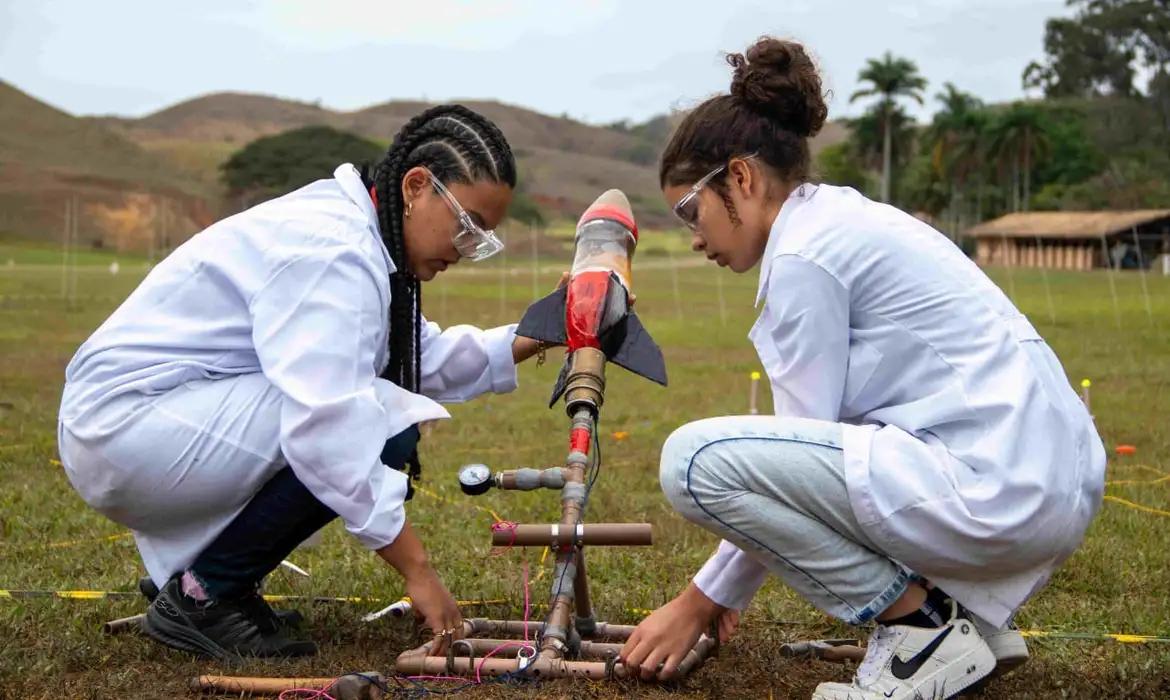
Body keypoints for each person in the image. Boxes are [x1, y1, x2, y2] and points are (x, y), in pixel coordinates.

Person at [619, 38, 1105, 700]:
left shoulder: (805, 256)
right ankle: (958, 620)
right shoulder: (844, 220)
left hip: (1001, 488)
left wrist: (699, 601)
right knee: (792, 457)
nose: (695, 237)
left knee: (694, 464)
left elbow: (791, 461)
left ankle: (920, 631)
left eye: (689, 212)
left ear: (741, 178)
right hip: (1048, 484)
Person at [57, 104, 553, 662]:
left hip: (160, 419)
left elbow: (424, 358)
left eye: (482, 238)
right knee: (373, 422)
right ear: (417, 187)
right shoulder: (333, 251)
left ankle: (211, 578)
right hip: (127, 429)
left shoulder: (367, 239)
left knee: (379, 411)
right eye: (468, 227)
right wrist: (418, 571)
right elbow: (326, 426)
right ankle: (204, 595)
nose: (467, 251)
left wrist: (548, 329)